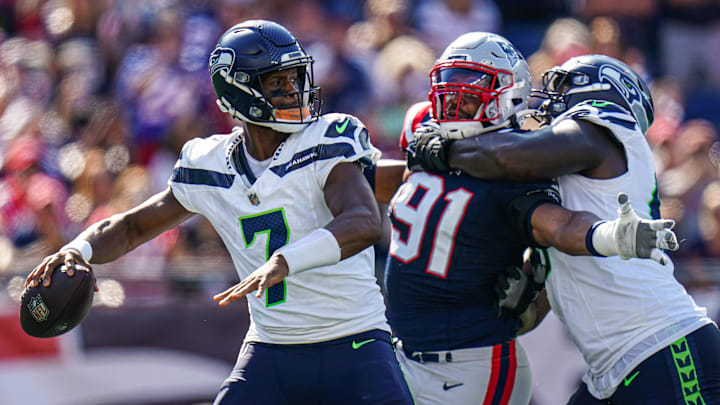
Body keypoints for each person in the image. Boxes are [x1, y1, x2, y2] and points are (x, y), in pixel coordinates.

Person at [25, 20, 414, 405]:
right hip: (272, 348)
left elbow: (363, 222)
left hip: (354, 342)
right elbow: (133, 227)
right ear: (237, 92)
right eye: (277, 82)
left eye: (295, 78)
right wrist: (79, 250)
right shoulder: (208, 163)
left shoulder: (328, 137)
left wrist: (286, 260)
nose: (294, 90)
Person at [383, 33, 678, 405]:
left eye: (565, 90)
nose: (551, 104)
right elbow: (543, 290)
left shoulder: (596, 133)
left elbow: (554, 217)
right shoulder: (547, 165)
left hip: (661, 342)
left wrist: (611, 236)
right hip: (609, 364)